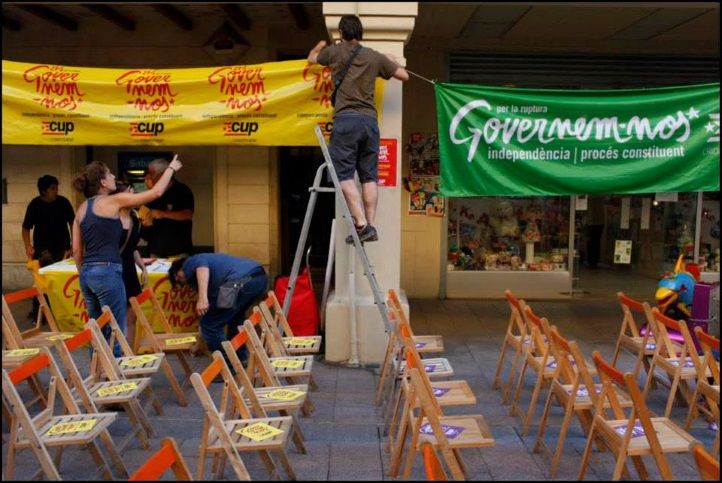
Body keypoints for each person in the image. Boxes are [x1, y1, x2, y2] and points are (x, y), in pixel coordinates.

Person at [307, 14, 409, 244]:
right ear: (360, 34)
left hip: (346, 120)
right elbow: (404, 75)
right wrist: (390, 59)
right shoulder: (374, 57)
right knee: (369, 176)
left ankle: (361, 223)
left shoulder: (335, 51)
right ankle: (369, 226)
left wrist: (319, 46)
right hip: (370, 123)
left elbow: (311, 59)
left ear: (342, 34)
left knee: (343, 174)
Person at [72, 156, 182, 356]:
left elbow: (76, 250)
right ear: (103, 183)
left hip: (87, 272)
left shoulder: (81, 209)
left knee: (96, 329)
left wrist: (84, 273)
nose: (114, 176)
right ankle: (115, 379)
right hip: (108, 269)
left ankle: (98, 375)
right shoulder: (113, 201)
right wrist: (171, 168)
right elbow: (155, 192)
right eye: (109, 174)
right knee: (115, 329)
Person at [168, 253, 268, 365]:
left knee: (211, 325)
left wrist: (202, 299)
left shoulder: (191, 261)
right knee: (234, 318)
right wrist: (200, 343)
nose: (178, 278)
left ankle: (227, 365)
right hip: (259, 277)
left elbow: (201, 266)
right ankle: (240, 358)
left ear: (180, 267)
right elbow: (207, 314)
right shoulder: (212, 279)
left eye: (176, 275)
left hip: (239, 282)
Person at [22, 175, 76, 319]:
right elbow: (26, 228)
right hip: (42, 249)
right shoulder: (34, 205)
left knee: (60, 280)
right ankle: (39, 313)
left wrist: (74, 243)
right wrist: (28, 246)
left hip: (62, 247)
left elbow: (73, 223)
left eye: (56, 187)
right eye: (53, 188)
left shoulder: (63, 202)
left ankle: (60, 312)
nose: (56, 190)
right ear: (44, 191)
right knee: (41, 281)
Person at [115, 180, 149, 350]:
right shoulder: (110, 219)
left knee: (132, 315)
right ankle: (114, 355)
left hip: (129, 269)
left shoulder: (135, 218)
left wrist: (142, 267)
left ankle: (130, 354)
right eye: (131, 192)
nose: (135, 197)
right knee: (115, 317)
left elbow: (132, 247)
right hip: (114, 271)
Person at [140, 158, 194, 258]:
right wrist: (145, 222)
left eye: (152, 173)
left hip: (178, 249)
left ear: (162, 174)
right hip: (155, 248)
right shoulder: (151, 194)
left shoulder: (182, 190)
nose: (149, 176)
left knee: (177, 273)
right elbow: (144, 214)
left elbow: (188, 214)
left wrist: (163, 214)